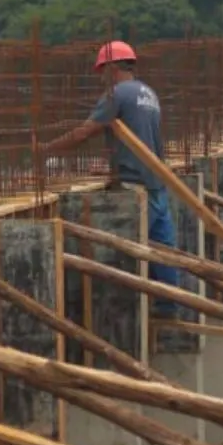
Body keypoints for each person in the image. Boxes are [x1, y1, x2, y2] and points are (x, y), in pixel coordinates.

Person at [40, 41, 184, 318]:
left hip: (134, 185)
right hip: (156, 180)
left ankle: (122, 316)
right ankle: (168, 307)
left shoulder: (116, 94)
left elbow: (86, 131)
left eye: (102, 71)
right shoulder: (148, 93)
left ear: (113, 68)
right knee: (163, 248)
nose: (100, 78)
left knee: (124, 254)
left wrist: (45, 149)